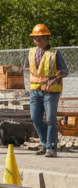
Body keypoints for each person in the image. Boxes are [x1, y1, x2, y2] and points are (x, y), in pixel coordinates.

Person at [28, 23, 68, 158]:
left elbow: (64, 71)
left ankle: (51, 147)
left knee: (51, 119)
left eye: (39, 38)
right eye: (34, 38)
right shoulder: (32, 52)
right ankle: (46, 144)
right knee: (35, 118)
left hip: (51, 91)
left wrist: (54, 79)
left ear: (46, 38)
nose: (36, 41)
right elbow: (32, 70)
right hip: (35, 90)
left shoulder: (55, 54)